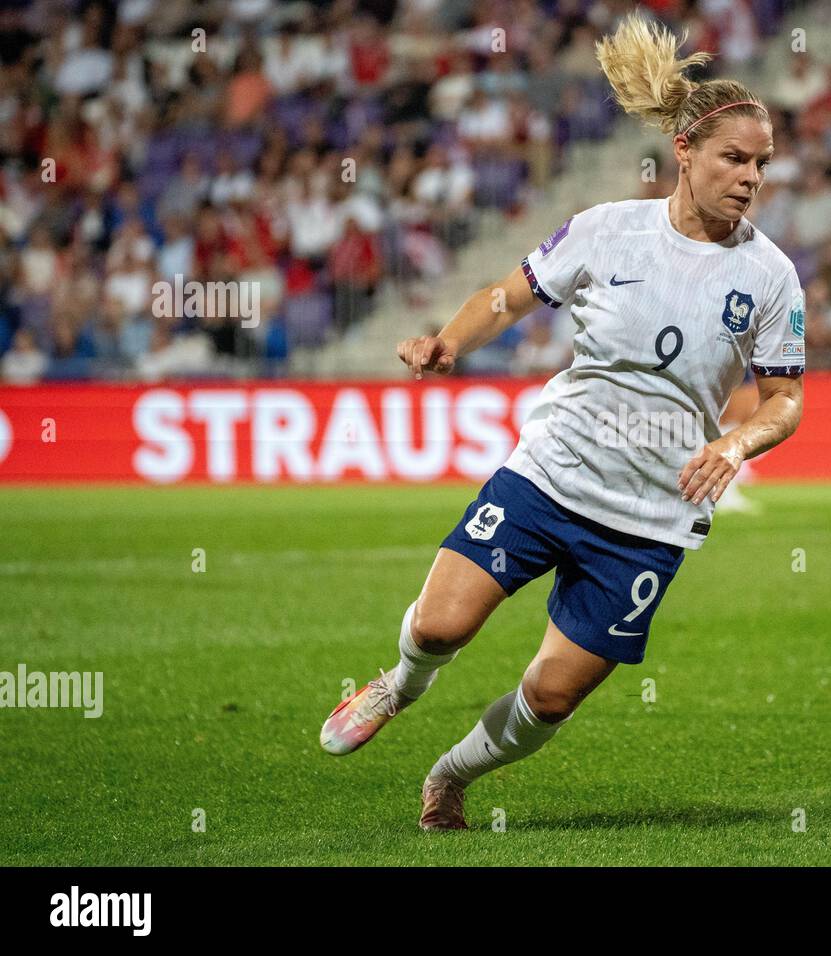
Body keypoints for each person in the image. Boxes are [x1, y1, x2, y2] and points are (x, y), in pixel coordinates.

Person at [318, 15, 805, 829]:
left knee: (551, 693)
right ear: (684, 150)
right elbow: (508, 296)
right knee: (439, 627)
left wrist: (738, 438)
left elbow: (785, 397)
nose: (752, 176)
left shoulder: (771, 275)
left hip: (652, 517)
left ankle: (450, 775)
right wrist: (448, 343)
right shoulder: (606, 228)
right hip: (552, 472)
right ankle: (396, 687)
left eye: (762, 163)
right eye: (735, 158)